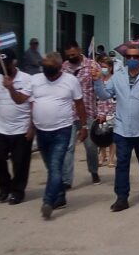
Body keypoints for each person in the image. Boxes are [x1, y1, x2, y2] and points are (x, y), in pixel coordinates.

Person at [93, 44, 139, 212]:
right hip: (122, 129)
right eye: (128, 57)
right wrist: (97, 82)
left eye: (135, 57)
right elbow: (105, 95)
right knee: (122, 163)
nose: (132, 60)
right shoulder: (119, 76)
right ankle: (121, 197)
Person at [30, 52, 86, 220]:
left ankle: (48, 202)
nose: (46, 69)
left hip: (62, 130)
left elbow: (79, 104)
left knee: (55, 166)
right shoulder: (35, 80)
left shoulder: (70, 81)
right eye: (44, 65)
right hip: (41, 131)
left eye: (50, 66)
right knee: (51, 167)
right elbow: (27, 103)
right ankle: (60, 196)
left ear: (59, 67)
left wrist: (83, 126)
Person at [0, 48, 33, 205]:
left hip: (21, 128)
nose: (1, 66)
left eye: (5, 63)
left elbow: (32, 105)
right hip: (1, 128)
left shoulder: (27, 79)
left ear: (13, 63)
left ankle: (18, 191)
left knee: (20, 162)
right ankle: (4, 187)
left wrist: (32, 127)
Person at [61, 42, 101, 186]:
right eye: (69, 55)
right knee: (68, 147)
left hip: (88, 111)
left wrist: (102, 111)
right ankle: (66, 180)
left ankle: (94, 170)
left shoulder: (92, 66)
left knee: (90, 146)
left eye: (74, 54)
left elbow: (100, 88)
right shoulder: (64, 67)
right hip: (69, 114)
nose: (71, 57)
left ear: (79, 50)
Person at [95, 57, 116, 168]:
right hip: (100, 110)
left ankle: (111, 158)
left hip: (111, 111)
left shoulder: (114, 79)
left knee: (111, 136)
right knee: (100, 134)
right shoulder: (98, 80)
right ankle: (102, 156)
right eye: (102, 67)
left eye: (105, 67)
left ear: (110, 68)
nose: (103, 69)